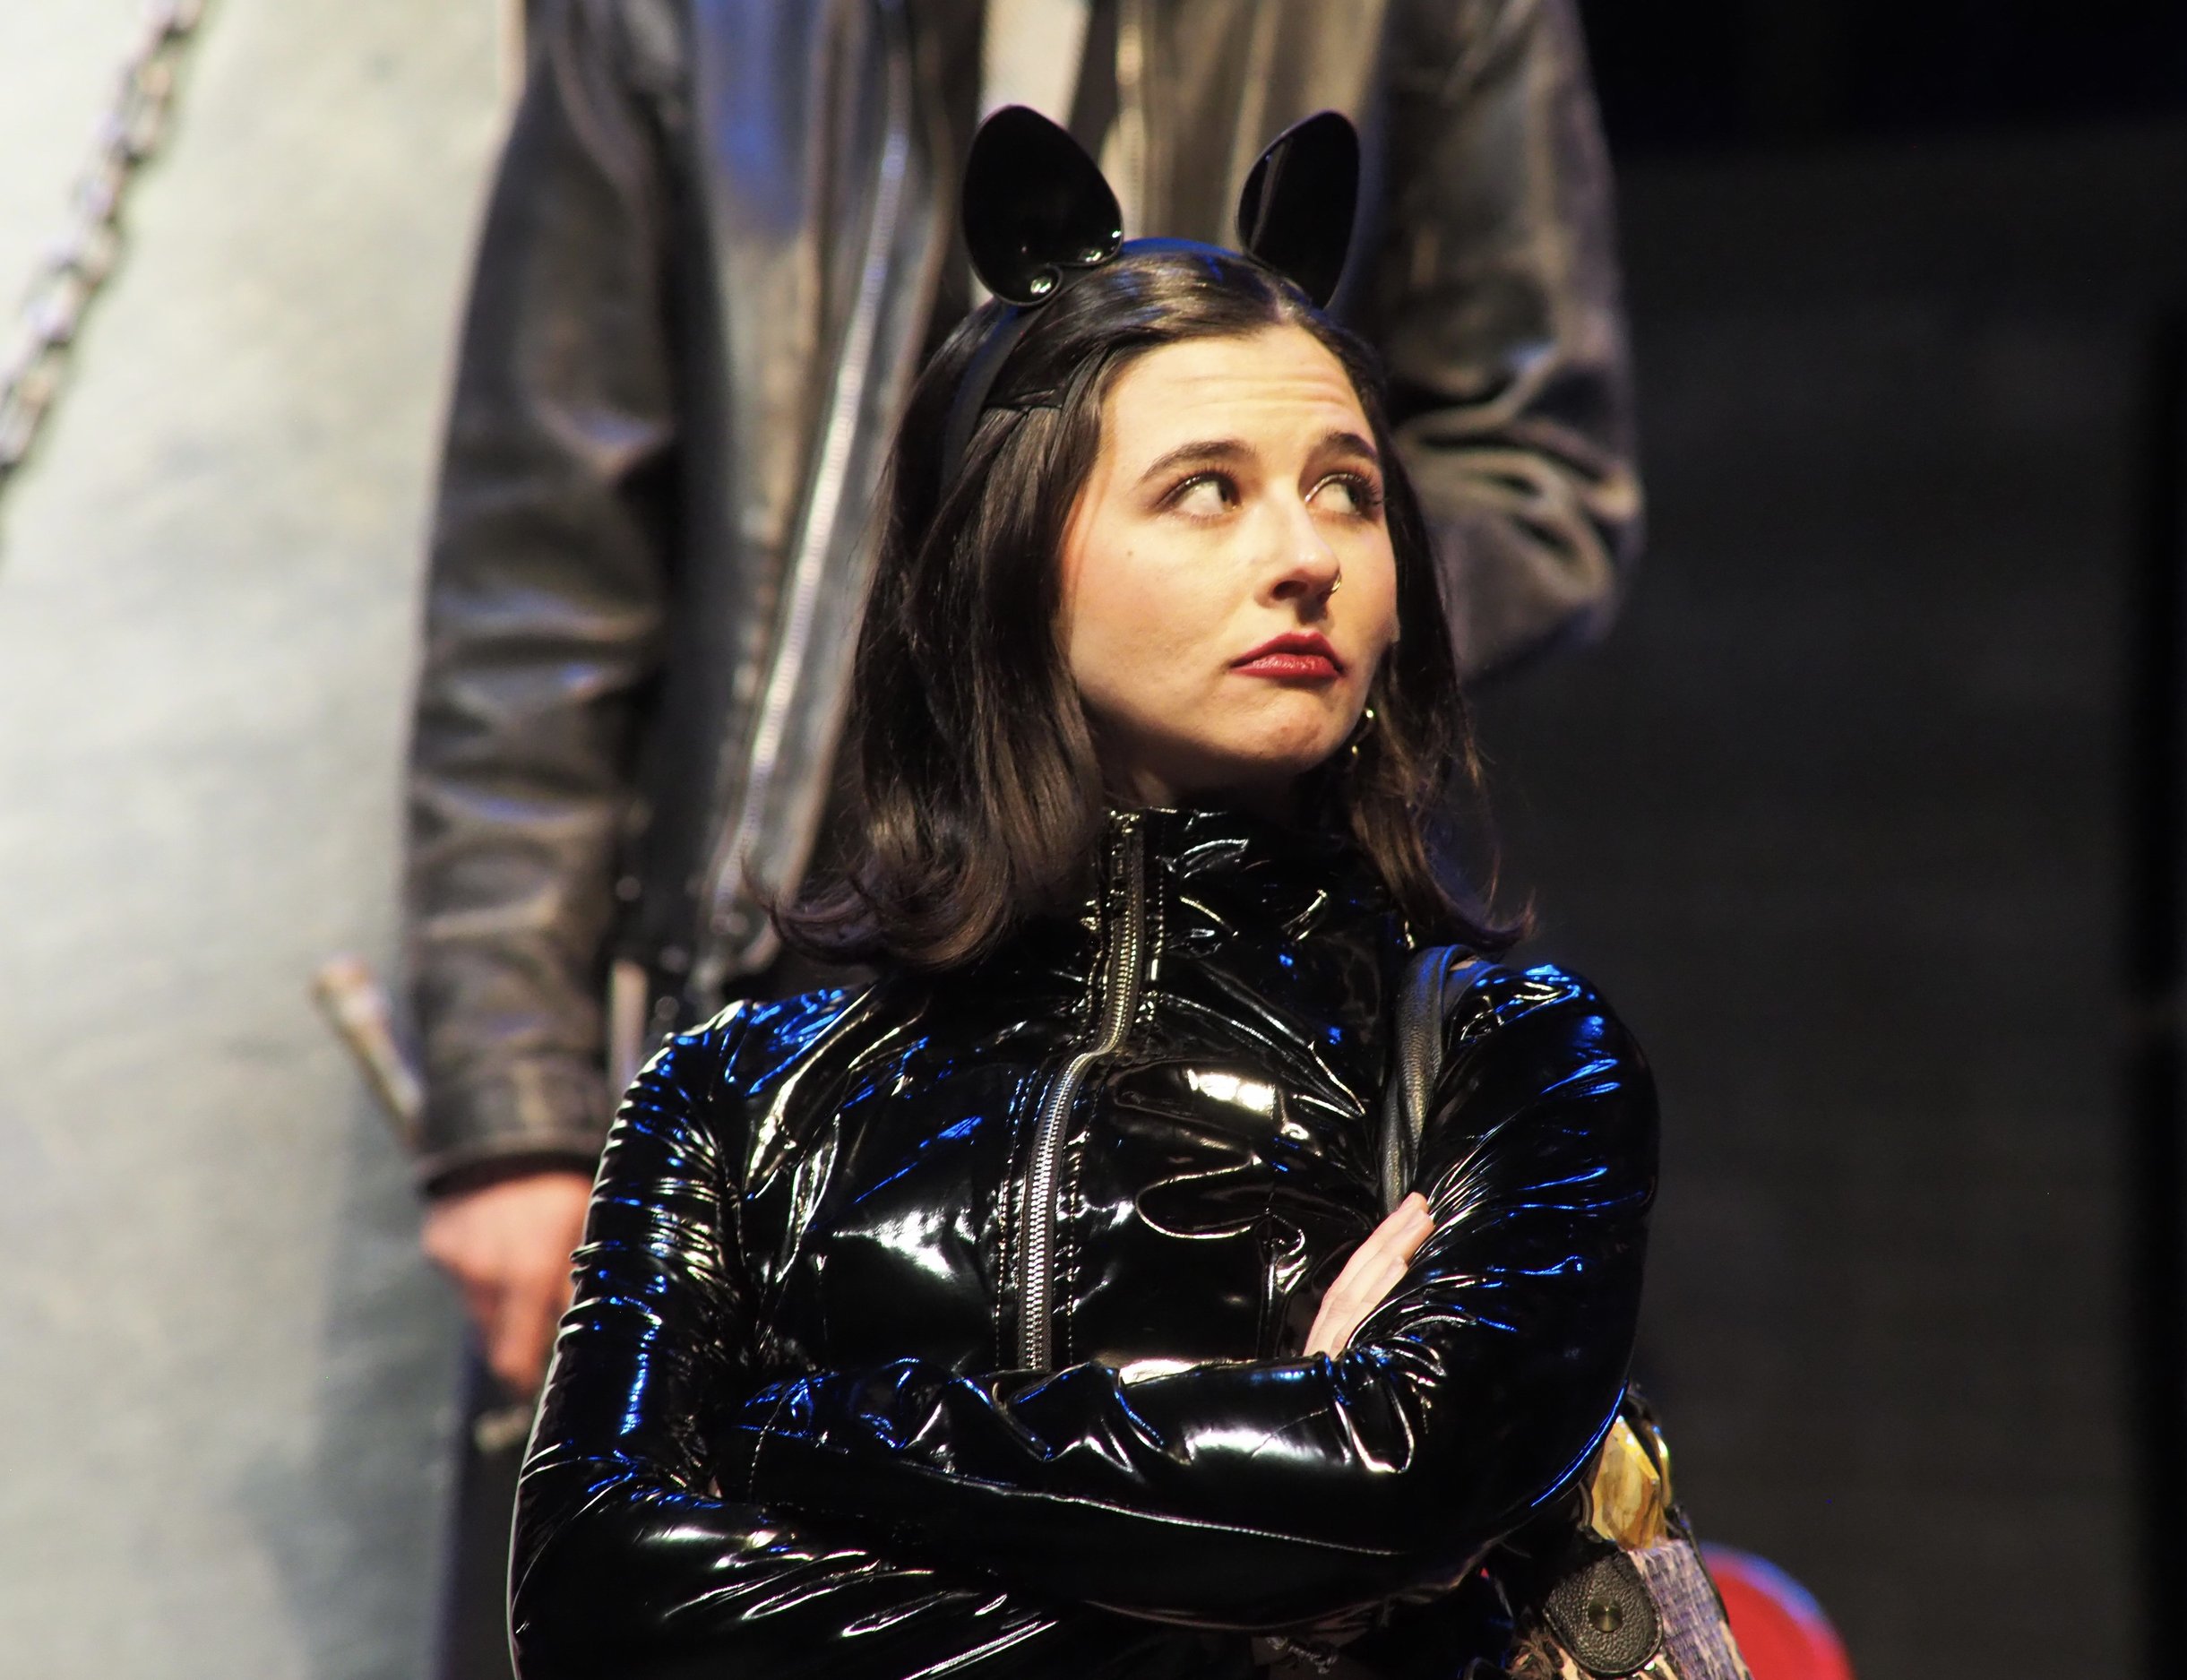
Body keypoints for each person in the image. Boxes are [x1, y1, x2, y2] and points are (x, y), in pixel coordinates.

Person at [510, 114, 1657, 1678]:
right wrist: (1246, 1568)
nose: (1306, 555)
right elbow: (594, 1600)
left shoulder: (1516, 1062)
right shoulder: (736, 1096)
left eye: (1348, 490)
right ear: (1007, 565)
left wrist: (786, 1447)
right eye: (1206, 490)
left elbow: (1389, 1482)